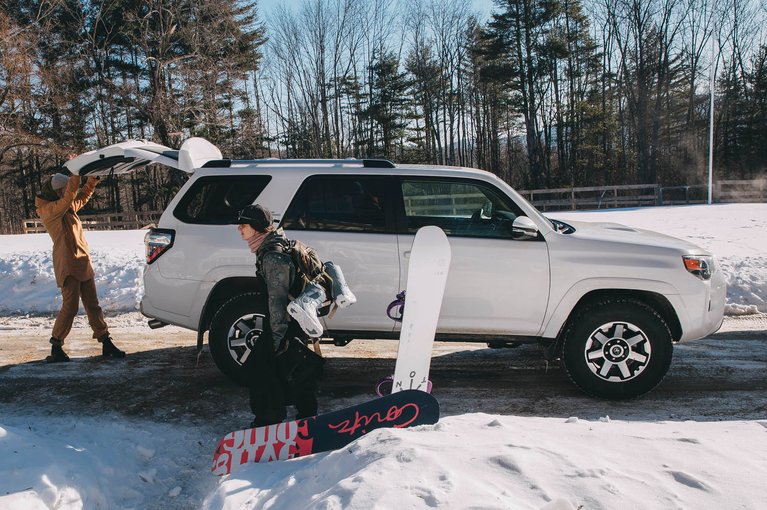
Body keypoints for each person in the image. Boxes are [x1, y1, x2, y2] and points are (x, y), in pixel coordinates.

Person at [237, 204, 356, 426]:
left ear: (256, 228)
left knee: (262, 368)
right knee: (300, 370)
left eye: (243, 225)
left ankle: (267, 422)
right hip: (297, 321)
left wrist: (275, 339)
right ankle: (307, 418)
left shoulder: (272, 257)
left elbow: (277, 301)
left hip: (287, 321)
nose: (238, 229)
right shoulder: (276, 244)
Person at [35, 169, 126, 362]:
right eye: (65, 189)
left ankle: (105, 342)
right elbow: (70, 197)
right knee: (71, 307)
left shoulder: (67, 207)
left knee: (93, 305)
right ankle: (56, 344)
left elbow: (81, 197)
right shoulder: (49, 210)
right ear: (58, 191)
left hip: (82, 261)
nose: (69, 191)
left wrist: (92, 181)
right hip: (67, 263)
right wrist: (75, 176)